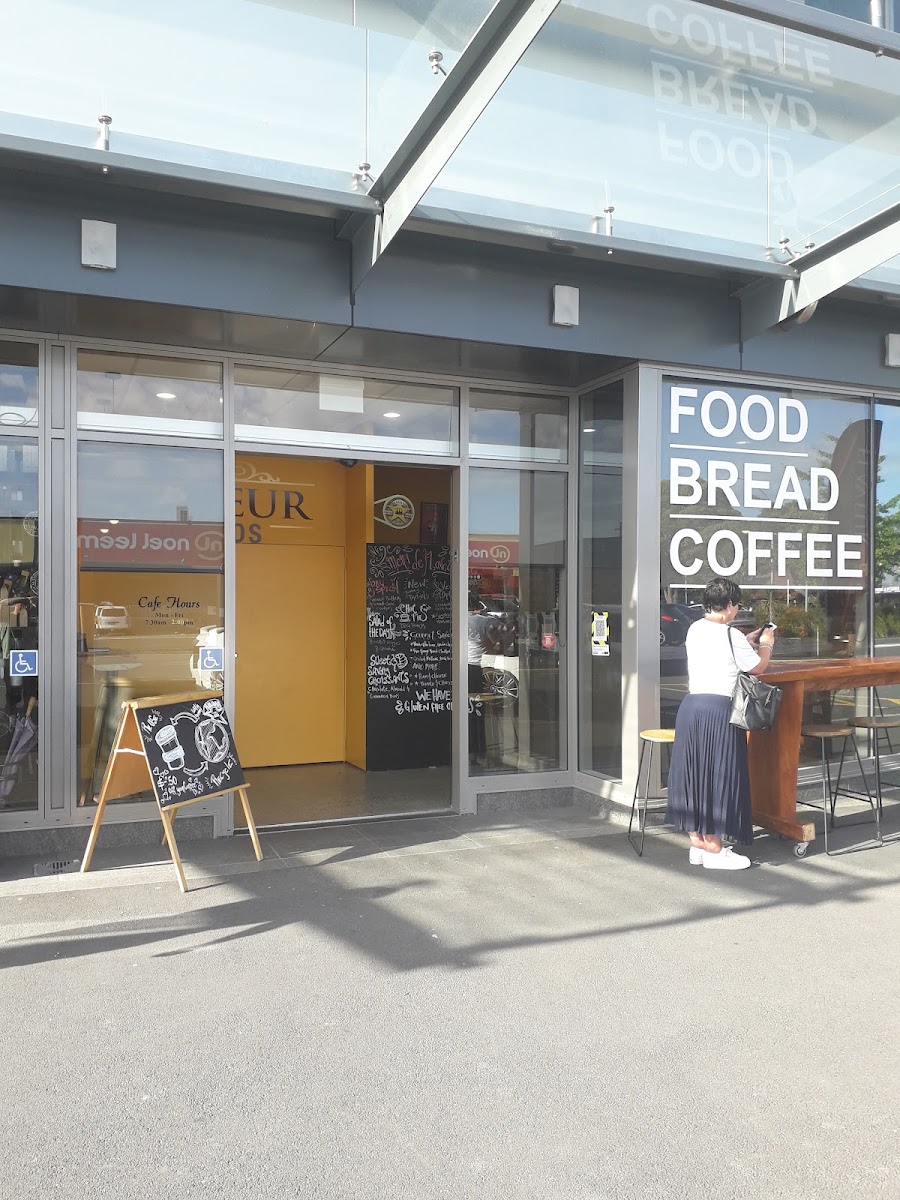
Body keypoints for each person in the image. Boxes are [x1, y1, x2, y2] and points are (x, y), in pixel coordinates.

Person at [665, 578, 776, 870]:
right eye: (736, 605)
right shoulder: (732, 636)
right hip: (719, 710)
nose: (737, 610)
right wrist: (765, 645)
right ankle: (715, 849)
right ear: (728, 605)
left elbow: (720, 649)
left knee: (695, 774)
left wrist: (745, 640)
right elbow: (758, 667)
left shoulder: (694, 628)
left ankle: (698, 845)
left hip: (692, 708)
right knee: (719, 775)